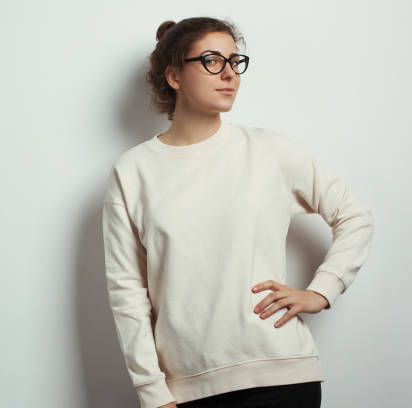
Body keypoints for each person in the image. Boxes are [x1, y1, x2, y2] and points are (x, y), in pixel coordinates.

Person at [101, 17, 374, 408]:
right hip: (189, 390)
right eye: (212, 60)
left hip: (284, 378)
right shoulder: (133, 172)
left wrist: (321, 290)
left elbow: (354, 216)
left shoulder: (269, 151)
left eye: (235, 61)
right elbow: (127, 293)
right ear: (174, 75)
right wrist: (152, 392)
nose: (229, 73)